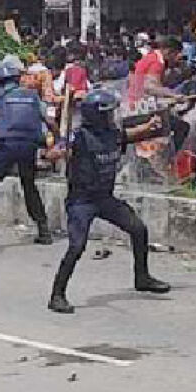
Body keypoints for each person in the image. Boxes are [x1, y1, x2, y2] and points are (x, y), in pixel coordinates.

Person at [49, 91, 171, 313]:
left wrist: (150, 126)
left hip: (104, 198)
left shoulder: (112, 134)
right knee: (77, 247)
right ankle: (57, 295)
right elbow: (54, 152)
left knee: (138, 229)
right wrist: (60, 152)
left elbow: (129, 135)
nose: (112, 116)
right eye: (108, 113)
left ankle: (142, 278)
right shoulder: (80, 137)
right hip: (81, 201)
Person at [0, 55, 55, 246]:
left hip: (7, 145)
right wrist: (57, 138)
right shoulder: (32, 95)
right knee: (29, 186)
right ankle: (44, 230)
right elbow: (48, 120)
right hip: (29, 145)